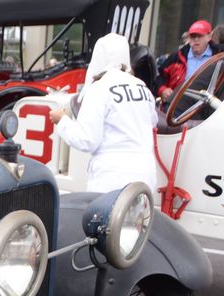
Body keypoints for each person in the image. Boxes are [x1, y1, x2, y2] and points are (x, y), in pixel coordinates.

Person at [48, 33, 157, 194]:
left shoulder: (99, 89)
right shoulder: (141, 87)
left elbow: (86, 140)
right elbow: (152, 122)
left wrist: (62, 120)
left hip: (112, 178)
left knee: (103, 220)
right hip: (146, 177)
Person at [155, 20, 224, 105]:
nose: (196, 39)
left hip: (205, 110)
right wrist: (163, 90)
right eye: (193, 36)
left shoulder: (219, 59)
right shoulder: (176, 57)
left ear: (209, 36)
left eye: (200, 36)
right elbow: (158, 78)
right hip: (176, 107)